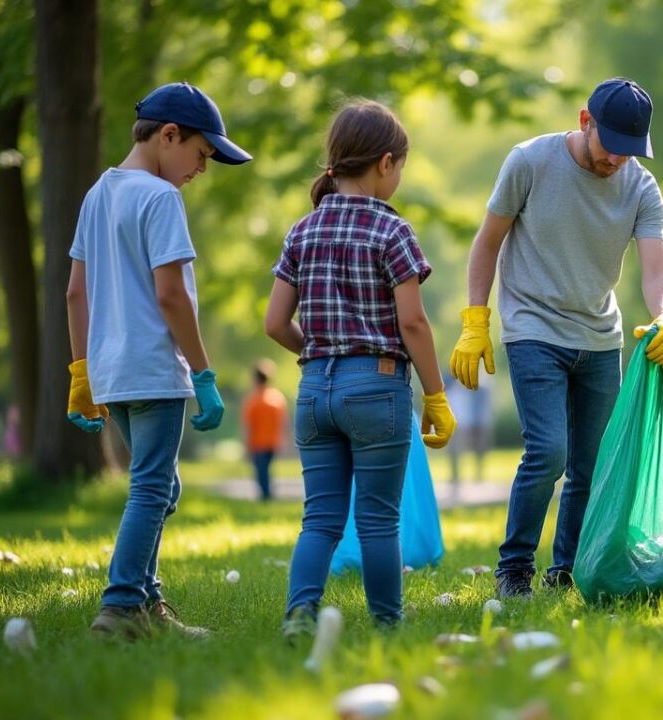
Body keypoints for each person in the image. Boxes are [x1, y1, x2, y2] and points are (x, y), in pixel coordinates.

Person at [449, 78, 663, 598]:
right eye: (611, 147)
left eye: (630, 152)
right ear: (585, 121)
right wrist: (475, 321)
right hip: (533, 327)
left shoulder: (641, 187)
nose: (617, 161)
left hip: (600, 336)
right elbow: (487, 242)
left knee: (590, 464)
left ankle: (568, 569)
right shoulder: (529, 162)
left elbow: (656, 271)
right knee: (549, 452)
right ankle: (514, 568)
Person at [65, 82, 251, 639]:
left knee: (160, 487)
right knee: (152, 486)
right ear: (169, 135)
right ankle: (121, 605)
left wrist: (81, 373)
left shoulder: (98, 193)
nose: (202, 167)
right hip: (151, 368)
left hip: (109, 372)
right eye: (201, 153)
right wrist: (203, 371)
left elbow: (76, 292)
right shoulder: (159, 197)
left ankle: (148, 606)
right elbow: (172, 294)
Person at [264, 99, 456, 638]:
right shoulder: (392, 231)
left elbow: (275, 323)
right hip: (377, 389)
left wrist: (321, 352)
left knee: (320, 520)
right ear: (386, 163)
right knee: (377, 520)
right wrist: (435, 395)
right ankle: (388, 625)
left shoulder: (301, 231)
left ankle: (298, 618)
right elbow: (413, 323)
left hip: (313, 391)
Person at [241, 359, 287, 501]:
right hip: (273, 441)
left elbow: (248, 425)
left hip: (258, 443)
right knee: (266, 470)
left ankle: (266, 496)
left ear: (256, 379)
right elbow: (283, 422)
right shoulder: (277, 398)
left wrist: (246, 445)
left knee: (261, 471)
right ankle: (267, 495)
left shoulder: (253, 400)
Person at [445, 374, 493, 495]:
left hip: (473, 421)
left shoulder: (479, 385)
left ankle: (478, 476)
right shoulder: (451, 385)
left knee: (479, 450)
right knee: (455, 451)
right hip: (457, 422)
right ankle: (456, 478)